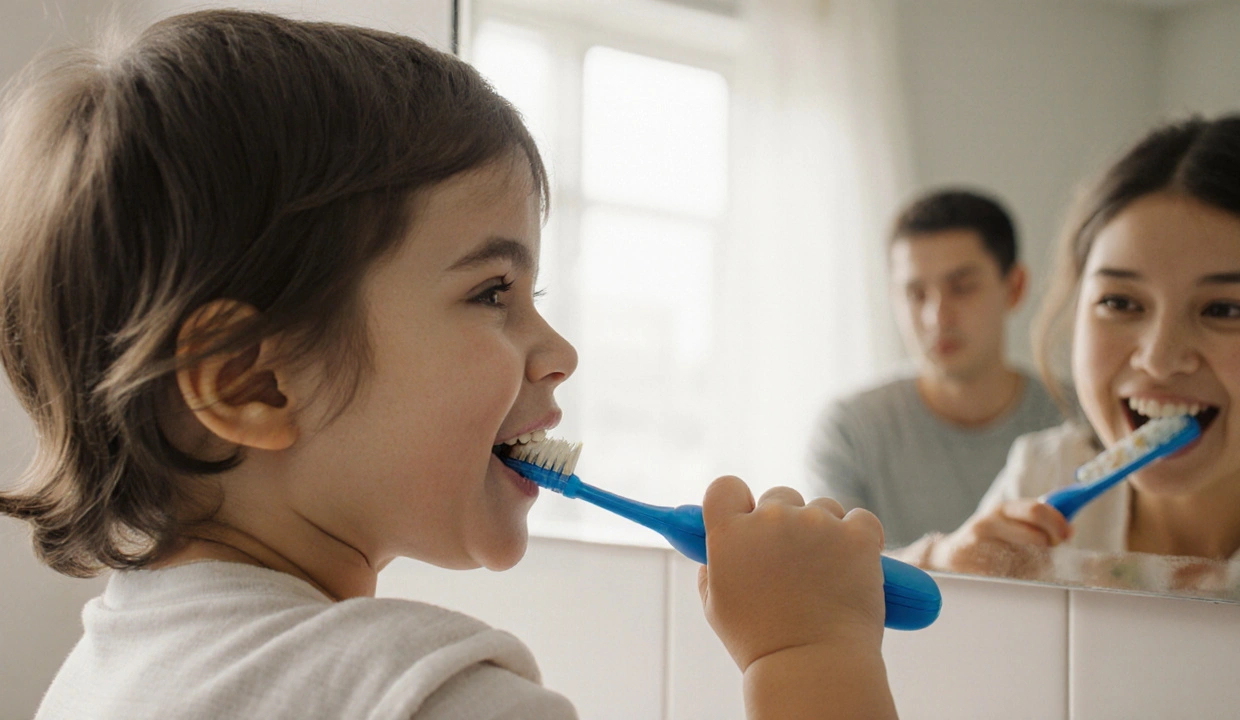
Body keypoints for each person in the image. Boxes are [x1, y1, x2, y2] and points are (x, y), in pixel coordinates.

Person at [0, 10, 897, 719]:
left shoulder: (102, 673)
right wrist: (812, 656)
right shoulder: (427, 698)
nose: (560, 352)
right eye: (492, 291)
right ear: (251, 382)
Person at [909, 115, 1240, 585]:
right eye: (1120, 302)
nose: (1159, 359)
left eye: (1225, 310)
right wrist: (944, 565)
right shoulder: (1045, 475)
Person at [807, 189, 1062, 548]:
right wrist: (941, 559)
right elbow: (837, 574)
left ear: (1014, 287)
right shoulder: (850, 431)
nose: (937, 317)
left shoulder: (1079, 420)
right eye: (915, 294)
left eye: (962, 287)